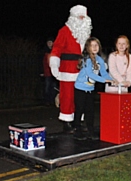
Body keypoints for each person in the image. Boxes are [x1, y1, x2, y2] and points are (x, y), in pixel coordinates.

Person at [49, 5, 92, 133]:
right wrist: (54, 64)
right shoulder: (64, 31)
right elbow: (56, 48)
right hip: (67, 68)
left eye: (83, 16)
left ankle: (79, 120)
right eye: (79, 16)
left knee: (82, 96)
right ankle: (67, 121)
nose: (82, 18)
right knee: (67, 96)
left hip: (82, 68)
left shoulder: (86, 33)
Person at [73, 37, 114, 140]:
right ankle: (77, 130)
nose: (95, 47)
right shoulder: (86, 59)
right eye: (92, 45)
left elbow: (104, 73)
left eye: (96, 45)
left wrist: (112, 80)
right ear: (88, 48)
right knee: (79, 109)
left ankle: (91, 131)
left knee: (90, 111)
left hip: (90, 89)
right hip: (80, 89)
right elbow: (90, 74)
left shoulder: (99, 59)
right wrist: (105, 81)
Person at [40, 37, 59, 106]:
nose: (49, 44)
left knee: (54, 87)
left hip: (54, 72)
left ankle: (52, 100)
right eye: (48, 42)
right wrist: (42, 71)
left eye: (50, 42)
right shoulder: (44, 51)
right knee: (47, 87)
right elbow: (42, 62)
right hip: (47, 72)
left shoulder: (56, 51)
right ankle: (47, 100)